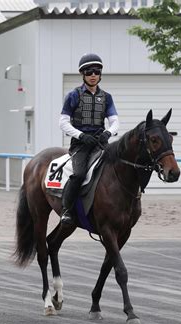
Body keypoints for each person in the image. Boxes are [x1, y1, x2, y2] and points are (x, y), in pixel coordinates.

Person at [59, 53, 119, 225]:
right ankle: (67, 211)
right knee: (78, 175)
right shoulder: (73, 95)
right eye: (89, 71)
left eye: (96, 71)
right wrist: (81, 135)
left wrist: (108, 133)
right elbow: (62, 122)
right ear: (82, 74)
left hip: (101, 142)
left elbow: (115, 121)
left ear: (100, 74)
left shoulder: (107, 97)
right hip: (81, 145)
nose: (93, 75)